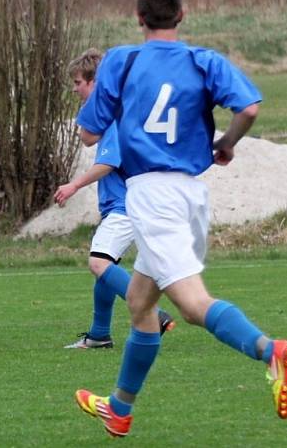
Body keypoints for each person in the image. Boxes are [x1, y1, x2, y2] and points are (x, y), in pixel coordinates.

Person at [73, 0, 287, 438]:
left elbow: (89, 133)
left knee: (193, 305)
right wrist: (227, 144)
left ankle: (269, 350)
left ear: (138, 18)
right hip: (192, 193)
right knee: (140, 302)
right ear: (182, 16)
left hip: (152, 193)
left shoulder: (123, 59)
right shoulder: (203, 60)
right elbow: (250, 108)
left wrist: (122, 107)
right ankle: (119, 408)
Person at [54, 49, 174, 350]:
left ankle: (152, 313)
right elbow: (87, 135)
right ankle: (98, 335)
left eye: (79, 81)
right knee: (106, 268)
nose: (74, 88)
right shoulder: (119, 112)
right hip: (135, 205)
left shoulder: (117, 118)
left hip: (126, 208)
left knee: (98, 263)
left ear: (95, 82)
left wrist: (74, 185)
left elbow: (108, 162)